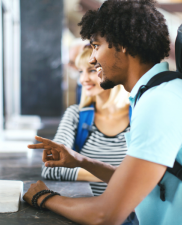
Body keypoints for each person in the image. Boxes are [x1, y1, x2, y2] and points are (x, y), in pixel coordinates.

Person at [24, 1, 182, 224]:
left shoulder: (162, 102)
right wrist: (81, 161)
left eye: (96, 46)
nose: (93, 59)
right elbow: (136, 183)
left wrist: (43, 197)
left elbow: (106, 214)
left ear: (121, 44)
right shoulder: (158, 93)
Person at [42, 46, 137, 224]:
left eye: (92, 70)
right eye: (80, 71)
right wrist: (113, 174)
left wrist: (89, 169)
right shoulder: (75, 116)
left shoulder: (139, 116)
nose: (83, 79)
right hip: (88, 214)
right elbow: (50, 167)